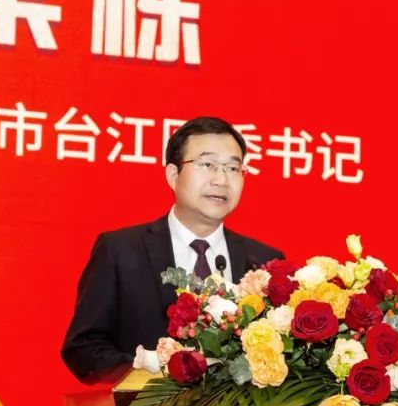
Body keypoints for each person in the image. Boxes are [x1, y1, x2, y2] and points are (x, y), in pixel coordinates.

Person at [62, 117, 284, 384]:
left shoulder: (265, 263)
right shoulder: (120, 250)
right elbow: (84, 349)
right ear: (173, 175)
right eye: (207, 165)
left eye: (233, 168)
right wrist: (151, 375)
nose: (221, 179)